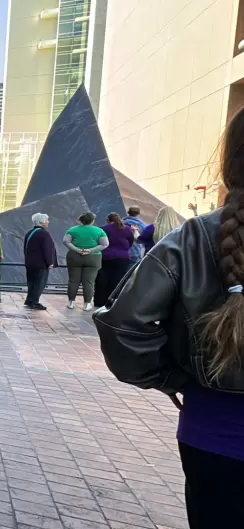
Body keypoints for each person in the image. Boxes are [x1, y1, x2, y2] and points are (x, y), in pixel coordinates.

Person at [93, 108, 244, 528]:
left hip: (214, 433)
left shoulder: (192, 239)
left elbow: (122, 324)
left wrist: (171, 377)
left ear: (229, 163)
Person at [63, 212, 108, 311]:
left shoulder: (72, 230)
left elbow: (66, 241)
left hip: (74, 257)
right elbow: (104, 244)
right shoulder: (99, 231)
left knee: (73, 280)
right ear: (92, 221)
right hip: (93, 257)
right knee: (89, 282)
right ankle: (87, 304)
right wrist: (90, 250)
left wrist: (77, 249)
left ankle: (71, 302)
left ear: (81, 220)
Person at [94, 212, 135, 308]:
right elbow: (131, 241)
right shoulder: (127, 229)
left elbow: (98, 242)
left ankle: (100, 301)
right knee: (117, 279)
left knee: (102, 279)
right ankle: (112, 300)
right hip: (123, 257)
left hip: (105, 257)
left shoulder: (103, 229)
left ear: (108, 220)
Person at [23, 213, 57, 310]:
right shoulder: (44, 233)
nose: (48, 222)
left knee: (31, 282)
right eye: (47, 220)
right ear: (42, 222)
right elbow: (47, 249)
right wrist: (50, 262)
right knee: (39, 282)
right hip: (41, 263)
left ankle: (29, 300)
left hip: (30, 262)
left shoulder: (30, 232)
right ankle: (35, 301)